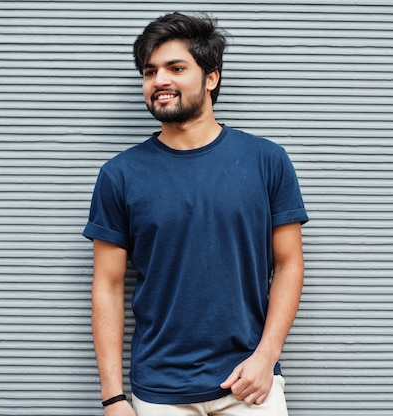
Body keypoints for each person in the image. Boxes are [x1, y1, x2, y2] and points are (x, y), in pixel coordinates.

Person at [83, 12, 308, 416]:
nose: (159, 81)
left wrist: (266, 358)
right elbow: (108, 285)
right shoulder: (120, 175)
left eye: (175, 68)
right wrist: (113, 397)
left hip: (250, 385)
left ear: (211, 77)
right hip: (159, 392)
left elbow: (289, 263)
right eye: (150, 71)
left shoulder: (266, 160)